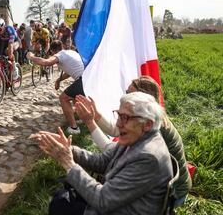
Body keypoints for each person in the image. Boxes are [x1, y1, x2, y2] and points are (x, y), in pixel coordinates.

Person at [31, 92, 173, 215]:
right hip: (116, 203)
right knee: (65, 190)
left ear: (147, 124)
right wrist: (69, 150)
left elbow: (103, 200)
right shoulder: (137, 139)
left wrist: (68, 163)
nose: (118, 124)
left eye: (125, 118)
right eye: (118, 115)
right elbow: (104, 161)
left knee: (60, 204)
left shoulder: (148, 157)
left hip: (117, 208)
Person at [75, 76, 192, 206]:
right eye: (127, 92)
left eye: (130, 93)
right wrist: (96, 116)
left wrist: (89, 122)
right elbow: (115, 130)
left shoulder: (154, 130)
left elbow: (111, 152)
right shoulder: (149, 118)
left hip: (173, 195)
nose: (126, 96)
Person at [26, 40, 84, 134]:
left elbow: (45, 62)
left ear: (53, 51)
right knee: (75, 96)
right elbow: (70, 72)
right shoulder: (70, 52)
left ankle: (74, 128)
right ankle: (82, 118)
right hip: (88, 78)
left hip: (83, 80)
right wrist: (58, 80)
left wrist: (31, 57)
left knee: (63, 98)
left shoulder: (60, 55)